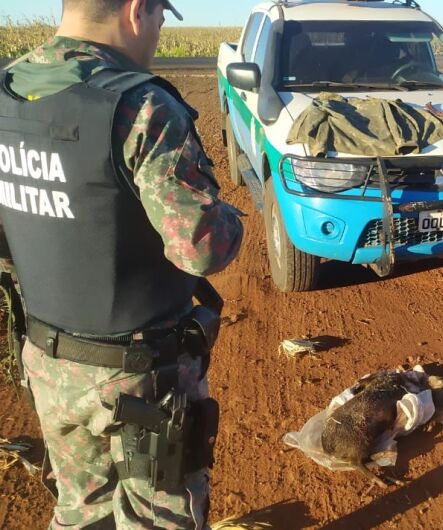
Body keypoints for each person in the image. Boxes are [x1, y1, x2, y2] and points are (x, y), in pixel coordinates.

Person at [0, 0, 244, 528]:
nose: (157, 33)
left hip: (48, 364)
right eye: (159, 18)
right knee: (157, 517)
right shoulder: (141, 107)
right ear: (137, 11)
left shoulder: (9, 90)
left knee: (79, 511)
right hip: (139, 379)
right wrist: (232, 217)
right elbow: (202, 247)